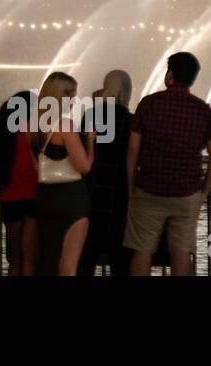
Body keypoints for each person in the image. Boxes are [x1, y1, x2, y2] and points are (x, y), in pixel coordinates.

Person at [125, 52, 211, 276]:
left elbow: (132, 149)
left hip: (148, 189)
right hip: (186, 193)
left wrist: (131, 186)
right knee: (181, 252)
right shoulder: (203, 110)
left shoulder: (148, 104)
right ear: (193, 78)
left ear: (170, 74)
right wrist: (204, 191)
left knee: (141, 251)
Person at [32, 71, 93, 276]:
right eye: (71, 96)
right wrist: (91, 143)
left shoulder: (31, 126)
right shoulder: (65, 125)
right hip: (71, 199)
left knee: (49, 260)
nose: (74, 101)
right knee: (68, 265)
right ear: (60, 96)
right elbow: (84, 166)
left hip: (45, 197)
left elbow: (36, 167)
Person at [78, 70, 134, 276]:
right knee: (120, 260)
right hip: (119, 197)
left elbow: (81, 151)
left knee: (86, 257)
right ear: (125, 91)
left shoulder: (91, 116)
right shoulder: (131, 122)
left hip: (91, 195)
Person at [0, 90, 38, 276]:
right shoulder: (31, 131)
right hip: (32, 197)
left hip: (9, 198)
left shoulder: (2, 133)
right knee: (29, 258)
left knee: (14, 258)